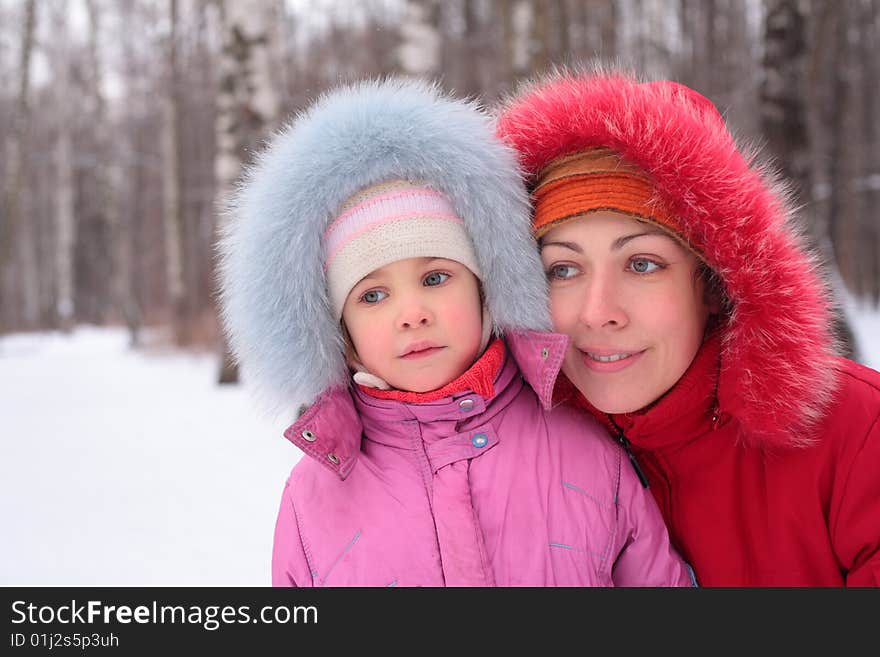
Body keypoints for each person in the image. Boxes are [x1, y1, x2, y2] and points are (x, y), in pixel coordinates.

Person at [217, 78, 693, 587]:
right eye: (372, 296)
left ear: (486, 291)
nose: (412, 313)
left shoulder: (589, 455)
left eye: (435, 278)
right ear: (340, 332)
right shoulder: (315, 496)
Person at [495, 66, 880, 586]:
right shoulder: (506, 457)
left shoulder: (857, 435)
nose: (597, 311)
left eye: (642, 264)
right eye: (562, 269)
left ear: (713, 284)